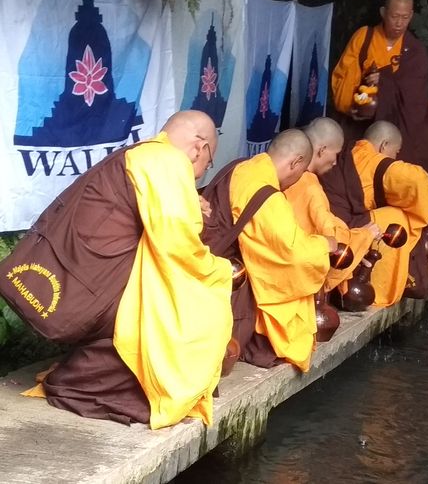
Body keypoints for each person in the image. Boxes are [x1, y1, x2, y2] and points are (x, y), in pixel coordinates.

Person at [7, 110, 234, 429]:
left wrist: (188, 201)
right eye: (205, 166)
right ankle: (99, 385)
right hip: (94, 288)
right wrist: (217, 270)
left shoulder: (143, 154)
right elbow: (176, 241)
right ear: (200, 147)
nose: (198, 175)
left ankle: (88, 378)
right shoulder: (167, 160)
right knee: (202, 303)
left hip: (80, 274)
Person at [227, 129, 337, 372]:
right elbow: (292, 254)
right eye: (300, 173)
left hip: (226, 262)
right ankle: (263, 341)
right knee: (294, 286)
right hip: (236, 279)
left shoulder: (241, 168)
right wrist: (324, 245)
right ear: (296, 163)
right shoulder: (269, 196)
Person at [323, 121, 428, 306]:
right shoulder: (372, 160)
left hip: (330, 226)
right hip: (341, 231)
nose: (395, 157)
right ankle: (380, 289)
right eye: (396, 151)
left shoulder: (351, 151)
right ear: (384, 145)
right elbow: (417, 181)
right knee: (396, 218)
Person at [329, 0, 428, 181]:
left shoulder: (415, 50)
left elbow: (415, 96)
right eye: (394, 16)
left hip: (395, 127)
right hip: (360, 123)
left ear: (411, 16)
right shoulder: (364, 38)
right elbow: (343, 78)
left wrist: (385, 81)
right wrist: (354, 103)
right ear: (383, 12)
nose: (399, 23)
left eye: (405, 17)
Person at [284, 118, 380, 293]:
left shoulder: (288, 177)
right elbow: (332, 241)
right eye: (336, 154)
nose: (336, 162)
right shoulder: (310, 187)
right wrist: (365, 235)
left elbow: (326, 221)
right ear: (322, 150)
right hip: (297, 276)